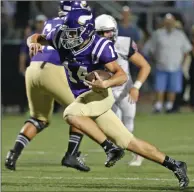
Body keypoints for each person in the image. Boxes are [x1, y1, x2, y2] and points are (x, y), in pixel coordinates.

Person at [28, 9, 189, 189]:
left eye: (74, 32)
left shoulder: (99, 46)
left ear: (87, 30)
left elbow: (121, 75)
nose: (69, 36)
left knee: (70, 114)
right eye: (68, 30)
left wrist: (105, 84)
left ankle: (109, 148)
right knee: (128, 142)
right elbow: (36, 37)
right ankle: (175, 164)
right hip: (85, 96)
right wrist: (32, 43)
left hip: (99, 94)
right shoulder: (61, 37)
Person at [5, 1, 123, 172]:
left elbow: (36, 37)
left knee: (39, 118)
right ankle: (74, 154)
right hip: (56, 69)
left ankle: (13, 154)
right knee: (81, 109)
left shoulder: (50, 22)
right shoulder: (74, 23)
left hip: (34, 69)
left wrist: (32, 42)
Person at [95, 14, 151, 166]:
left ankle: (138, 155)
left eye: (106, 32)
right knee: (112, 127)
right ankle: (115, 152)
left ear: (114, 30)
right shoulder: (93, 47)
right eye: (99, 33)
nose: (103, 36)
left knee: (128, 124)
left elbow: (145, 66)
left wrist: (136, 87)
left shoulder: (124, 44)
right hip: (106, 91)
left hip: (125, 90)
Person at [149, 13, 192, 113]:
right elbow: (151, 50)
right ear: (164, 22)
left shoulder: (180, 34)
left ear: (174, 22)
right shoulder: (158, 34)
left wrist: (182, 63)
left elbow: (186, 50)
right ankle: (158, 106)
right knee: (159, 88)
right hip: (161, 65)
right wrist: (155, 60)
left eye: (170, 22)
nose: (169, 24)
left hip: (175, 66)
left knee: (172, 88)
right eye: (167, 22)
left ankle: (169, 106)